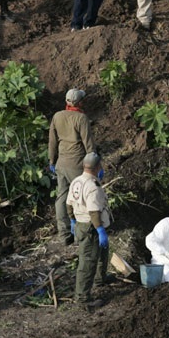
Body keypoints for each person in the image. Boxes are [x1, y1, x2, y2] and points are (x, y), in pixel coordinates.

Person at [48, 88, 95, 245]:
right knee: (81, 197)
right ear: (79, 102)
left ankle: (64, 234)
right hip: (77, 164)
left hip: (61, 163)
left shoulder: (57, 116)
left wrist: (51, 161)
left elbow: (52, 141)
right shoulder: (81, 118)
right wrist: (95, 165)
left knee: (62, 197)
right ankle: (82, 233)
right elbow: (89, 144)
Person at [66, 152, 112, 308]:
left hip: (80, 224)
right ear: (98, 166)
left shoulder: (76, 181)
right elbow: (94, 212)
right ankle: (82, 298)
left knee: (101, 254)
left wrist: (72, 219)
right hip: (90, 227)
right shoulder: (93, 187)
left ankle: (100, 279)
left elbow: (68, 203)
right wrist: (100, 230)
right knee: (87, 262)